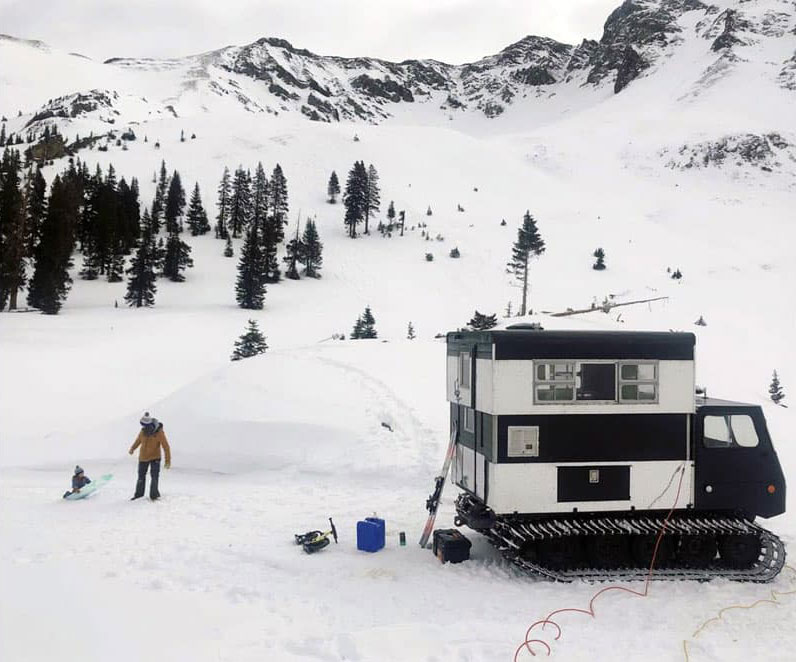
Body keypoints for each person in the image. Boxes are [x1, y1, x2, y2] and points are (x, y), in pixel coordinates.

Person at [129, 412, 171, 501]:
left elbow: (166, 447)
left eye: (144, 425)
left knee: (154, 476)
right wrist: (132, 448)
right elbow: (138, 440)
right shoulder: (143, 431)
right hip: (143, 457)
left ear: (150, 424)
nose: (143, 427)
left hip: (155, 458)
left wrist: (167, 461)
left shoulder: (159, 432)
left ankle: (154, 495)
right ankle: (138, 495)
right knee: (141, 476)